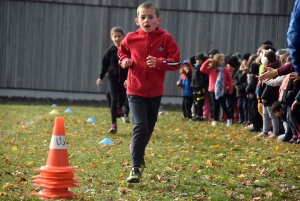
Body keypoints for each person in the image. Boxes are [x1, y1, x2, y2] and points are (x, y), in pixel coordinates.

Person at [118, 2, 181, 183]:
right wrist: (125, 61)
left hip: (155, 92)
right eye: (143, 17)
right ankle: (135, 167)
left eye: (151, 17)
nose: (147, 20)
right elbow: (121, 52)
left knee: (149, 127)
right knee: (140, 125)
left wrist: (160, 62)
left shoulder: (166, 38)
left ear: (158, 20)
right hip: (134, 89)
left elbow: (176, 62)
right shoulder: (130, 38)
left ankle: (137, 150)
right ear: (137, 20)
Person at [96, 27, 129, 134]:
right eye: (115, 36)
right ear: (111, 38)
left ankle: (124, 112)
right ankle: (113, 124)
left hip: (125, 79)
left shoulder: (128, 50)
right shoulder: (110, 52)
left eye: (119, 36)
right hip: (113, 79)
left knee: (125, 97)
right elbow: (104, 65)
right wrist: (101, 77)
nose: (117, 38)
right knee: (114, 98)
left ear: (123, 37)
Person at [200, 53, 234, 126]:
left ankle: (229, 119)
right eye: (221, 60)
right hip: (213, 90)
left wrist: (231, 88)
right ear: (216, 61)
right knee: (215, 105)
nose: (223, 61)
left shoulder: (225, 70)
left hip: (222, 90)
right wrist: (208, 61)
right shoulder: (211, 69)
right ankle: (215, 119)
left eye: (223, 60)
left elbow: (229, 79)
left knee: (223, 105)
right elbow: (202, 69)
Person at [190, 53, 208, 121]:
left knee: (200, 101)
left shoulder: (203, 67)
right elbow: (191, 59)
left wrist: (205, 58)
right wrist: (197, 56)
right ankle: (196, 114)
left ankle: (200, 115)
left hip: (201, 86)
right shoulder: (194, 67)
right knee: (195, 101)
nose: (198, 61)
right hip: (195, 86)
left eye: (200, 60)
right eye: (197, 60)